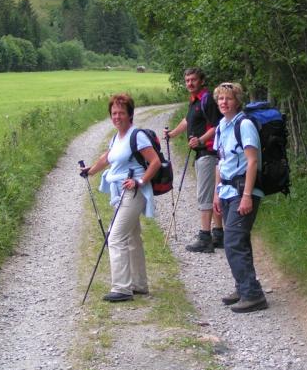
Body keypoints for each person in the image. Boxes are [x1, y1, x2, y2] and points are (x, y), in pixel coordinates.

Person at [80, 93, 161, 302]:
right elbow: (107, 158)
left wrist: (140, 181)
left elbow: (155, 162)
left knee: (115, 237)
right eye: (114, 113)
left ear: (130, 114)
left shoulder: (137, 136)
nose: (117, 117)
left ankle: (122, 288)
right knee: (132, 237)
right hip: (123, 191)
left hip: (134, 191)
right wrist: (90, 171)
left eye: (121, 113)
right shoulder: (117, 137)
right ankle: (139, 284)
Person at [212, 82, 268, 313]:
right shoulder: (221, 126)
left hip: (244, 190)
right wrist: (216, 192)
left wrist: (246, 196)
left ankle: (253, 295)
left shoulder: (244, 125)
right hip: (227, 191)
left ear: (237, 101)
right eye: (221, 99)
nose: (224, 102)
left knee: (233, 241)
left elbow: (252, 161)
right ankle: (243, 287)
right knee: (238, 241)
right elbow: (220, 161)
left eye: (229, 98)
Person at [165, 67, 224, 253]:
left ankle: (205, 238)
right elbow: (187, 121)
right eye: (187, 80)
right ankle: (218, 235)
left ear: (202, 81)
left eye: (193, 80)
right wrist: (172, 134)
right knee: (212, 194)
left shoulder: (207, 100)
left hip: (209, 153)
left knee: (205, 195)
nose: (190, 83)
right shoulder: (195, 101)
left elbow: (218, 126)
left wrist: (200, 140)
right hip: (204, 154)